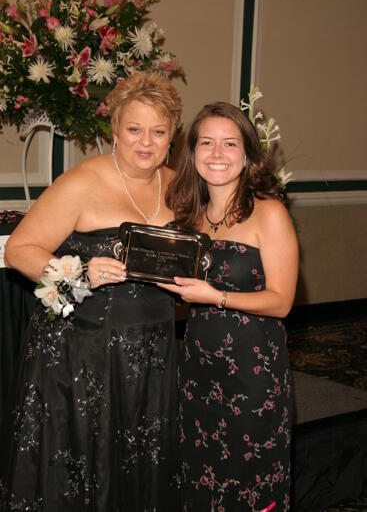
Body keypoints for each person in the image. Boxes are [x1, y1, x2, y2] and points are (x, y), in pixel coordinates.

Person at [1, 71, 182, 511]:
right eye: (134, 129)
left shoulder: (180, 185)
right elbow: (21, 250)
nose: (146, 142)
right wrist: (79, 273)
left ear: (172, 136)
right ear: (114, 130)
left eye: (158, 132)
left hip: (154, 351)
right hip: (83, 354)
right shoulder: (82, 181)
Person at [160, 102, 299, 511]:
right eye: (206, 142)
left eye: (229, 143)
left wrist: (215, 296)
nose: (217, 154)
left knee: (249, 485)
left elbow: (282, 301)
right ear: (193, 152)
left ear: (247, 155)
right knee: (201, 480)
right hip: (198, 373)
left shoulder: (268, 213)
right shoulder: (189, 215)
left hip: (253, 379)